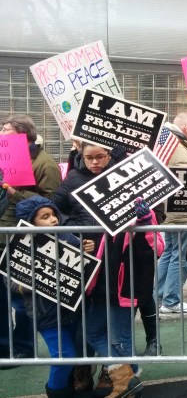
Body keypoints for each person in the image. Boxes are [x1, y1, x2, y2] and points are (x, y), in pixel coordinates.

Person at [13, 196, 95, 398]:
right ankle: (56, 392)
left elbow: (82, 269)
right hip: (45, 315)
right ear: (31, 222)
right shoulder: (20, 244)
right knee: (64, 356)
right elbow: (12, 281)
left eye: (54, 215)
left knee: (75, 355)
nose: (53, 220)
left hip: (72, 310)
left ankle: (72, 390)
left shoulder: (67, 237)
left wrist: (85, 251)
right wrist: (34, 282)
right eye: (45, 217)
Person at [86, 198, 164, 398]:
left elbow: (157, 248)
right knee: (93, 332)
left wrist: (144, 224)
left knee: (121, 339)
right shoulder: (102, 207)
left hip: (124, 289)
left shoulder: (143, 211)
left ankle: (129, 384)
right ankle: (129, 379)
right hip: (101, 284)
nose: (95, 163)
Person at [1, 115, 62, 363]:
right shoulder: (4, 158)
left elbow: (52, 203)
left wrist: (15, 194)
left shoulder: (45, 164)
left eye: (5, 130)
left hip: (22, 239)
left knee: (21, 299)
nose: (1, 134)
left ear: (21, 135)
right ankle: (4, 348)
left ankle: (25, 346)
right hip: (2, 234)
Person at [156, 113, 187, 319]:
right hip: (183, 213)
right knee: (181, 257)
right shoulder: (177, 148)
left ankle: (159, 296)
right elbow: (186, 179)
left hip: (172, 213)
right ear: (186, 128)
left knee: (169, 254)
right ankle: (171, 301)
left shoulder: (169, 144)